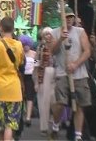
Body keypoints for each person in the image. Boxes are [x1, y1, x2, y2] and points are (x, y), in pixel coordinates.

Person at [50, 7, 91, 141]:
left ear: (73, 18)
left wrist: (76, 64)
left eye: (71, 17)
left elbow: (87, 51)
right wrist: (61, 39)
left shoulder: (80, 32)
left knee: (80, 104)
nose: (68, 20)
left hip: (79, 74)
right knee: (61, 103)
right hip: (62, 73)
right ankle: (55, 125)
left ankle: (78, 135)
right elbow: (52, 51)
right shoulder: (55, 32)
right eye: (66, 17)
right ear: (61, 17)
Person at [0, 17, 24, 141]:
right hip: (14, 90)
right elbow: (21, 63)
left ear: (0, 28)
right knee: (10, 125)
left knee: (0, 127)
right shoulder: (19, 45)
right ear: (13, 29)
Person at [33, 27, 56, 136]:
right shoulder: (40, 47)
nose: (48, 36)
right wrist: (36, 81)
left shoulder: (57, 47)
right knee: (43, 102)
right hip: (44, 73)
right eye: (46, 34)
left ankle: (55, 124)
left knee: (55, 101)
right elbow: (36, 63)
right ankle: (44, 127)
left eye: (50, 34)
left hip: (56, 74)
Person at [18, 35, 36, 127]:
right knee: (20, 97)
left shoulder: (34, 54)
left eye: (27, 44)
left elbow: (37, 65)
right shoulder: (20, 53)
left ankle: (28, 117)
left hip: (31, 77)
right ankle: (20, 115)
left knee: (29, 97)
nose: (25, 46)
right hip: (21, 76)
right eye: (23, 44)